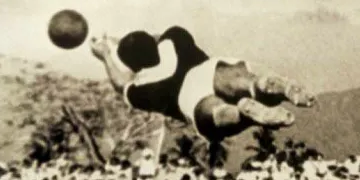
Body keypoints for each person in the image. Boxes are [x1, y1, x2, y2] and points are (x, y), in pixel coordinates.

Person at [89, 27, 315, 147]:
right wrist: (121, 40)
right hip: (209, 70)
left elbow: (121, 84)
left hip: (188, 98)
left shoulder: (143, 89)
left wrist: (106, 55)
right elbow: (155, 38)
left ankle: (242, 113)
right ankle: (265, 85)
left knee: (215, 113)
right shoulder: (174, 38)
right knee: (240, 79)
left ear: (133, 65)